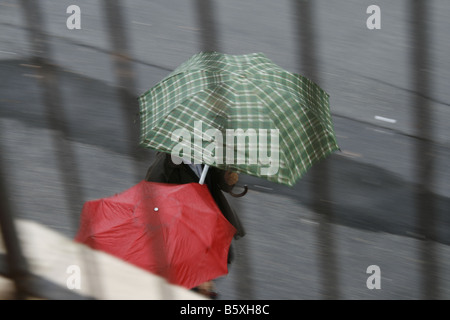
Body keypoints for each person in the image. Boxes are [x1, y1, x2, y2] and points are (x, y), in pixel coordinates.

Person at [144, 152, 246, 298]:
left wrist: (228, 179)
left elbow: (221, 183)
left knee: (221, 260)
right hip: (183, 230)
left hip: (210, 224)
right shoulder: (167, 162)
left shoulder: (207, 157)